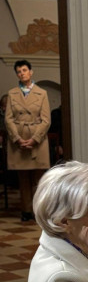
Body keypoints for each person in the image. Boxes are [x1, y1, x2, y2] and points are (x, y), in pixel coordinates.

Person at [4, 59, 51, 221]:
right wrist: (17, 138)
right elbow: (8, 119)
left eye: (24, 70)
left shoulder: (42, 93)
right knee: (23, 178)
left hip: (37, 139)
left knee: (39, 179)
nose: (22, 73)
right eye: (18, 71)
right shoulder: (12, 93)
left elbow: (46, 120)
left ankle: (39, 212)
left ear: (31, 72)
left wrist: (34, 139)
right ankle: (26, 211)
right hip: (19, 139)